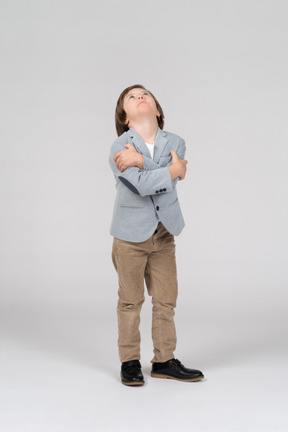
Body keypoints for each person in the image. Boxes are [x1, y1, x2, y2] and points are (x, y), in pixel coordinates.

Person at [109, 84, 204, 386]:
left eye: (145, 94)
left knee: (165, 299)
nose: (140, 97)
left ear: (158, 110)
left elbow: (168, 184)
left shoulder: (176, 141)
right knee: (130, 301)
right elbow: (141, 186)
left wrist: (142, 162)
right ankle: (130, 362)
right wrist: (169, 169)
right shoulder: (119, 147)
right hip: (129, 236)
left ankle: (164, 360)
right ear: (125, 117)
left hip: (164, 233)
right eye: (131, 97)